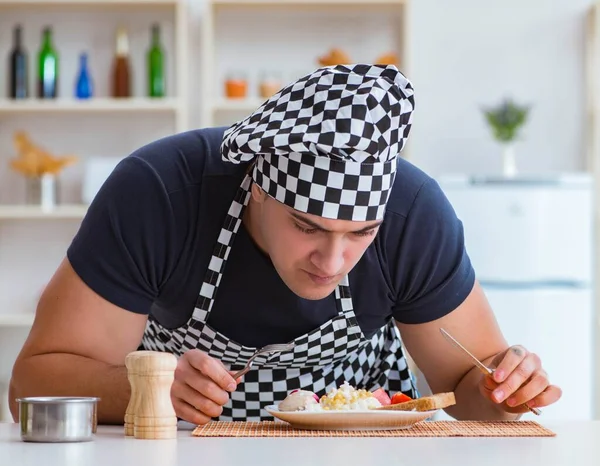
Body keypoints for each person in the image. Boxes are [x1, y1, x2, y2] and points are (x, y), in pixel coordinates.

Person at [9, 64, 561, 425]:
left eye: (360, 234)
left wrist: (503, 392)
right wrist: (147, 389)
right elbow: (32, 385)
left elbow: (467, 388)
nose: (333, 261)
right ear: (257, 189)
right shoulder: (158, 195)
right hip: (181, 444)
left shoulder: (416, 215)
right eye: (307, 226)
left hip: (362, 452)